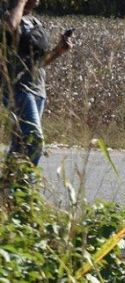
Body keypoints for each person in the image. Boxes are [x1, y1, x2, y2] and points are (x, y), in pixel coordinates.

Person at [2, 0, 74, 166]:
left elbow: (39, 63)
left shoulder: (34, 22)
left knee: (20, 144)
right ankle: (23, 186)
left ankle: (9, 188)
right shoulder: (6, 15)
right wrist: (19, 2)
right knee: (34, 140)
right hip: (17, 89)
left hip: (37, 91)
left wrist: (58, 50)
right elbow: (10, 27)